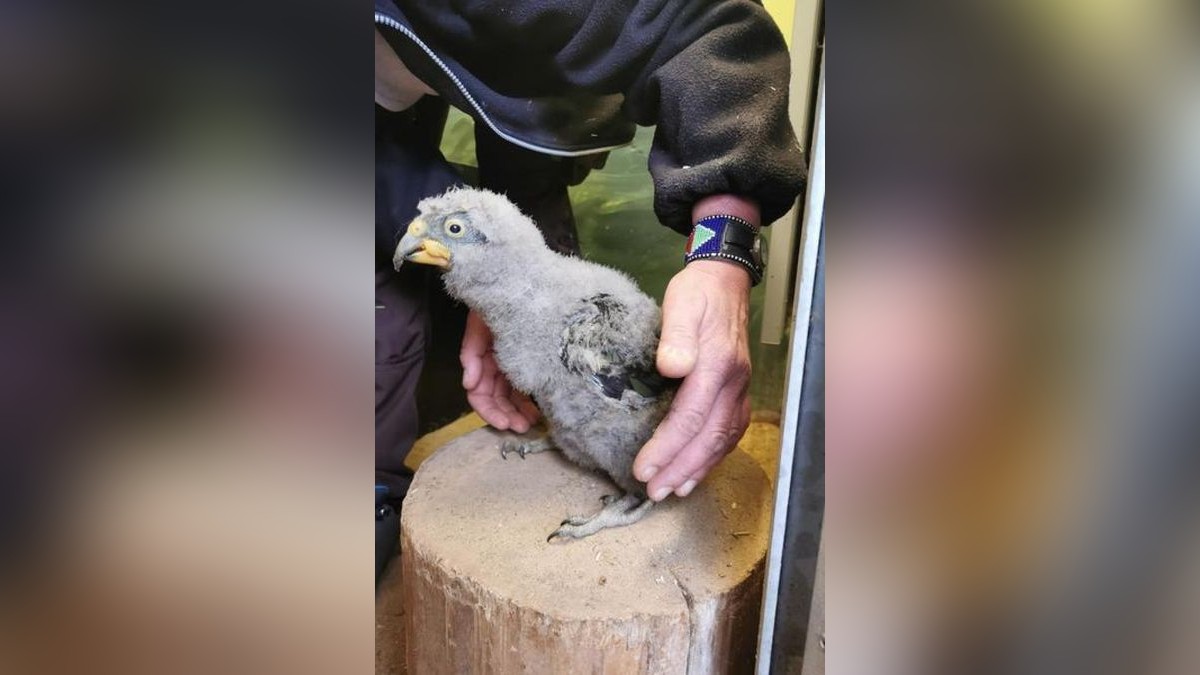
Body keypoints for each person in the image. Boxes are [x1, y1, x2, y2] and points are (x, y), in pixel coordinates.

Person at [375, 0, 805, 505]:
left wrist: (723, 250)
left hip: (516, 107)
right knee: (377, 331)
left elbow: (711, 24)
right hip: (394, 99)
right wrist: (494, 281)